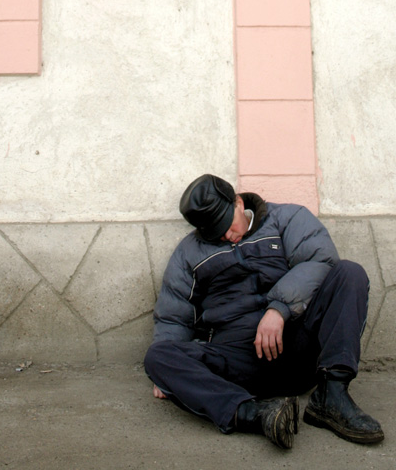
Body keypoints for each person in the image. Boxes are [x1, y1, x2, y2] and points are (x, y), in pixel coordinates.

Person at [144, 174, 383, 449]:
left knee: (349, 273)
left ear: (237, 202)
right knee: (158, 357)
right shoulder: (189, 253)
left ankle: (332, 395)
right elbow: (174, 314)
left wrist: (279, 310)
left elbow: (320, 260)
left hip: (296, 349)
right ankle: (255, 415)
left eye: (225, 224)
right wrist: (168, 376)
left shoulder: (287, 219)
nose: (225, 235)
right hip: (237, 363)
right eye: (214, 232)